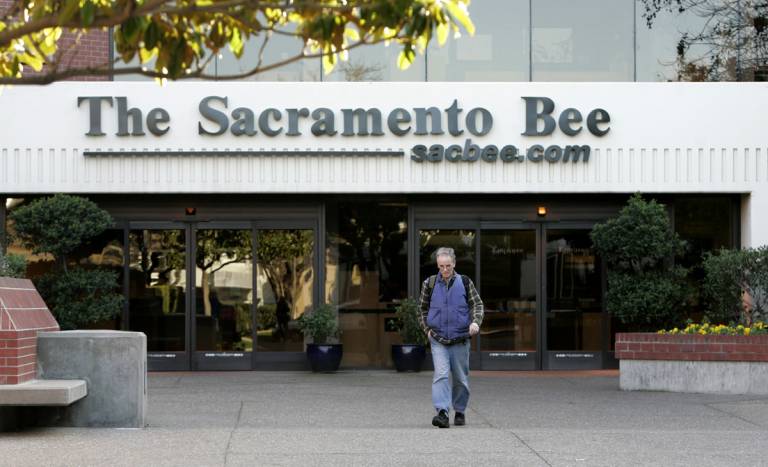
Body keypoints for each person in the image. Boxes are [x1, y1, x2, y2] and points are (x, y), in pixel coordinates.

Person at [418, 246, 483, 428]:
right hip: (438, 339)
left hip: (460, 339)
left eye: (448, 266)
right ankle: (442, 412)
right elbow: (422, 310)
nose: (444, 270)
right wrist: (427, 330)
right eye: (441, 266)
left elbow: (477, 304)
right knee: (441, 375)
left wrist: (475, 323)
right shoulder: (429, 284)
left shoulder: (465, 282)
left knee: (461, 378)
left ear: (454, 263)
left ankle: (460, 410)